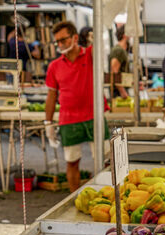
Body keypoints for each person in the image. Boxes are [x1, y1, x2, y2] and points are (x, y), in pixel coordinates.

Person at [44, 21, 109, 192]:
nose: (60, 45)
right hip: (69, 119)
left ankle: (105, 193)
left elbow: (100, 55)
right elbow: (51, 95)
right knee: (72, 162)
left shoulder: (89, 55)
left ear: (74, 38)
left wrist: (97, 41)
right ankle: (74, 198)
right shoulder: (54, 66)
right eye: (57, 41)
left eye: (63, 40)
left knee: (105, 159)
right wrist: (48, 122)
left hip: (94, 115)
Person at [109, 25, 130, 99]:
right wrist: (122, 91)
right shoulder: (118, 51)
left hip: (123, 88)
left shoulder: (124, 50)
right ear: (124, 35)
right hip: (118, 92)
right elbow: (114, 71)